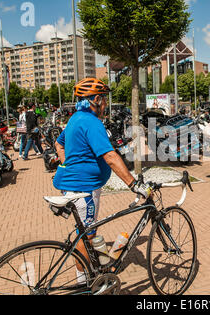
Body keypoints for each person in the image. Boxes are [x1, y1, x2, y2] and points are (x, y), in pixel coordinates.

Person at [53, 78, 151, 283]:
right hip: (83, 189)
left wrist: (68, 165)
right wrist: (134, 185)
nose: (105, 104)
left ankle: (91, 270)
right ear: (96, 100)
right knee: (85, 235)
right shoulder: (91, 122)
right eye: (104, 99)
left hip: (74, 185)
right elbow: (110, 157)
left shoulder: (75, 118)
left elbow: (58, 144)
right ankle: (83, 282)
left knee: (88, 231)